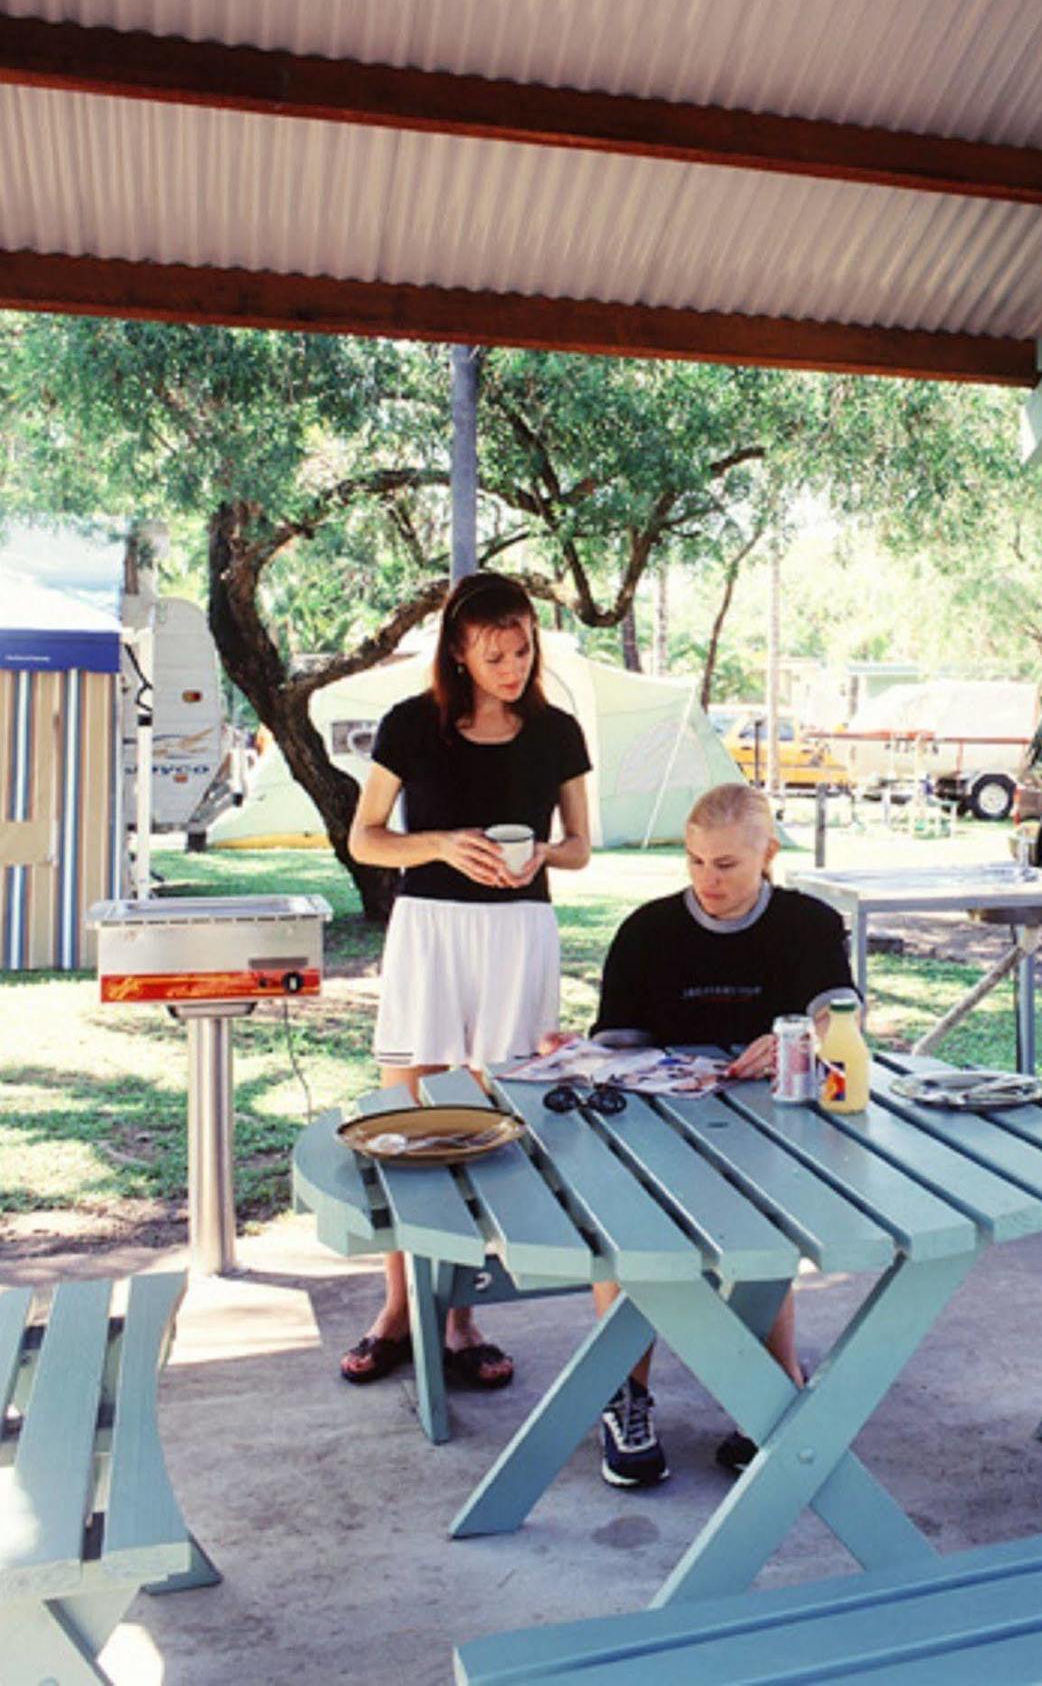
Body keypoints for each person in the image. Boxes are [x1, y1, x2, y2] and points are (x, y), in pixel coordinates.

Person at [340, 571, 591, 1390]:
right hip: (430, 930)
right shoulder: (411, 726)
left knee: (493, 1118)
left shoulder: (556, 732)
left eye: (522, 650)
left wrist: (540, 856)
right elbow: (367, 840)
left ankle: (460, 1317)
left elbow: (581, 846)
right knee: (405, 1116)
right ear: (459, 650)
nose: (513, 666)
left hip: (519, 932)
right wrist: (444, 845)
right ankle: (394, 1310)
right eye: (495, 654)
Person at [584, 782, 858, 1487]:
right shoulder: (646, 930)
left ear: (767, 855)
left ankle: (769, 1389)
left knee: (769, 1224)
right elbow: (617, 1047)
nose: (708, 881)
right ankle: (626, 1393)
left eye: (728, 865)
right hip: (661, 1122)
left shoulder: (809, 923)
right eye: (695, 861)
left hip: (776, 1122)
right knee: (627, 1223)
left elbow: (841, 1015)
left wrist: (799, 1035)